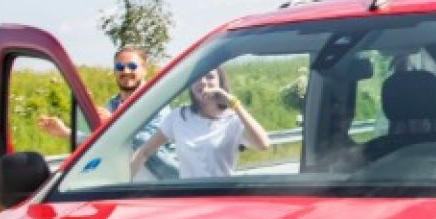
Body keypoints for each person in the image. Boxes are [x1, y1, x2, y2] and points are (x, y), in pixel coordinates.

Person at [39, 46, 175, 178]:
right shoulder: (113, 103)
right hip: (123, 184)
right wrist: (66, 132)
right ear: (115, 71)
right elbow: (103, 141)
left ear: (145, 70)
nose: (126, 71)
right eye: (120, 67)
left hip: (159, 184)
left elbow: (146, 143)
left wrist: (114, 123)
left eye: (132, 66)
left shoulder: (156, 102)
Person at [129, 68, 271, 179]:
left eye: (210, 77)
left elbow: (263, 144)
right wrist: (121, 186)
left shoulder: (233, 120)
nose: (202, 82)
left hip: (222, 197)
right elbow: (144, 151)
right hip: (190, 198)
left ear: (220, 82)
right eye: (197, 77)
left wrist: (232, 102)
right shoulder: (179, 117)